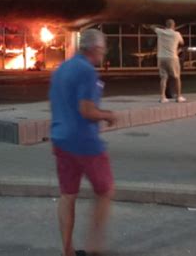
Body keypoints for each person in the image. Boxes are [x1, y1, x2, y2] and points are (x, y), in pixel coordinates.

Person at [50, 29, 117, 256]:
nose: (104, 52)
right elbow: (87, 110)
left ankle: (67, 250)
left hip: (60, 139)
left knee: (67, 195)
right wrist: (108, 115)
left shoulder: (62, 69)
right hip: (85, 143)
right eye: (103, 48)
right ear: (95, 49)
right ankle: (94, 248)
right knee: (105, 190)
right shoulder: (87, 71)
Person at [146, 19, 186, 103]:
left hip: (161, 57)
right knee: (177, 77)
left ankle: (162, 97)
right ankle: (178, 97)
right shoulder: (176, 34)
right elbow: (182, 42)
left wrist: (161, 27)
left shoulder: (160, 32)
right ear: (173, 25)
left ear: (166, 25)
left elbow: (152, 26)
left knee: (163, 78)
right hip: (172, 57)